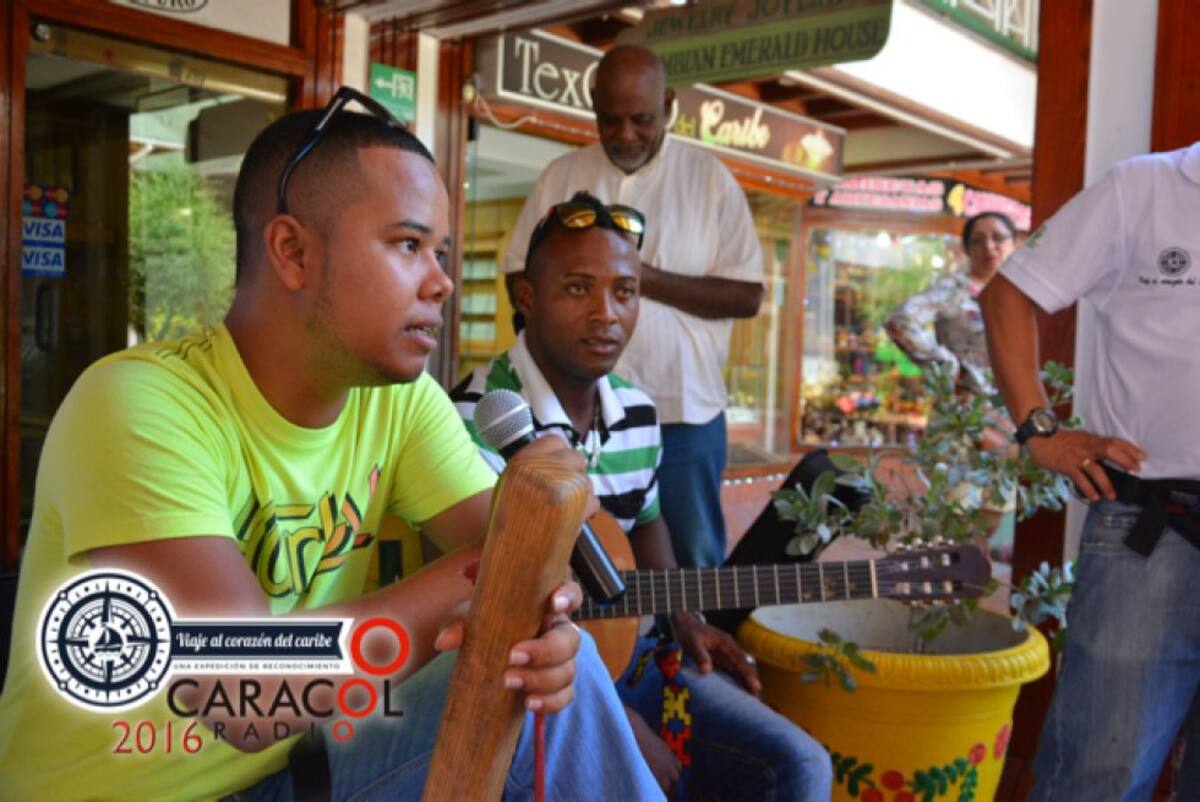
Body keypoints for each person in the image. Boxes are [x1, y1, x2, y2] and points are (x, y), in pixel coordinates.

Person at [0, 91, 664, 802]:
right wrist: (517, 554)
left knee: (551, 678)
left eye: (438, 252)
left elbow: (528, 568)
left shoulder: (397, 400)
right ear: (291, 251)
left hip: (306, 766)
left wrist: (542, 627)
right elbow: (243, 696)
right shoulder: (139, 405)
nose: (440, 281)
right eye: (409, 245)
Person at [456, 192, 833, 801]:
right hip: (540, 689)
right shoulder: (474, 421)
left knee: (799, 767)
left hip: (637, 661)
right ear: (526, 296)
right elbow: (480, 610)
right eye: (578, 288)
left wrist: (685, 619)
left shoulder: (635, 410)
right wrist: (617, 724)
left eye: (625, 292)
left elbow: (644, 523)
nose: (606, 313)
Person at [979, 142, 1200, 801]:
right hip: (1153, 534)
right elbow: (1007, 296)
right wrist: (1039, 430)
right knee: (1098, 780)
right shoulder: (1144, 188)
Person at [502, 45, 764, 569]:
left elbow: (746, 295)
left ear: (667, 106)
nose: (625, 134)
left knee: (691, 567)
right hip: (576, 413)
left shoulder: (709, 180)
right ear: (592, 104)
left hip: (682, 413)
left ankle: (688, 652)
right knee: (577, 564)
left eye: (641, 119)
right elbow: (519, 275)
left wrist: (637, 278)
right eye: (610, 119)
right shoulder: (561, 174)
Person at [885, 211, 1018, 397]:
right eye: (978, 241)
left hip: (1015, 406)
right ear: (966, 249)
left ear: (1014, 243)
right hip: (967, 409)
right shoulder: (954, 289)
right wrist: (949, 365)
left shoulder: (1024, 291)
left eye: (998, 237)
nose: (989, 246)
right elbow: (899, 320)